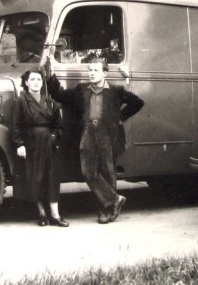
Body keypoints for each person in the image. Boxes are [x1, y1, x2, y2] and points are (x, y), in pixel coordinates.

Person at [48, 58, 144, 224]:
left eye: (95, 70)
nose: (91, 73)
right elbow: (60, 95)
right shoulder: (81, 89)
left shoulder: (116, 90)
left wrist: (120, 118)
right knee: (88, 172)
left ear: (104, 73)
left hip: (108, 134)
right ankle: (114, 200)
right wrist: (51, 77)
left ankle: (105, 210)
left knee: (108, 171)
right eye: (90, 70)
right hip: (87, 132)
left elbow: (137, 102)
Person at [12, 69, 69, 227]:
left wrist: (53, 137)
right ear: (26, 82)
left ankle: (55, 216)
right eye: (33, 79)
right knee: (35, 178)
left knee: (52, 179)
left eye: (39, 80)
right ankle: (42, 214)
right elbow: (16, 125)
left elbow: (58, 126)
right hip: (31, 145)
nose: (36, 82)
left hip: (48, 145)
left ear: (42, 83)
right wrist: (20, 144)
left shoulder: (50, 102)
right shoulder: (21, 101)